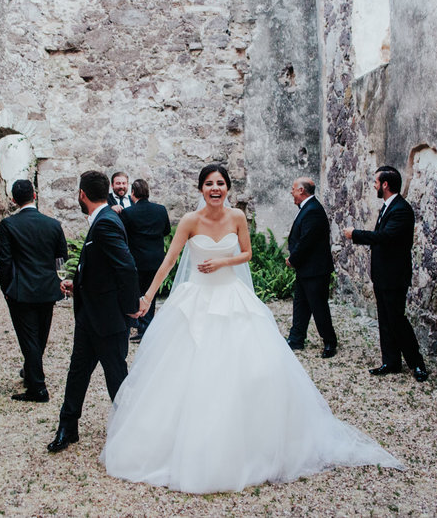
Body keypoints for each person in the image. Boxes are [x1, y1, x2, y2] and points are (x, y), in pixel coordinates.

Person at [102, 165, 403, 493]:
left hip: (231, 297)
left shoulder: (237, 218)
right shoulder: (189, 221)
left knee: (255, 371)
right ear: (201, 188)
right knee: (185, 373)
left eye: (220, 183)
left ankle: (254, 441)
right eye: (209, 183)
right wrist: (147, 295)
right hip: (196, 301)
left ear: (227, 188)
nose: (215, 188)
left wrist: (222, 262)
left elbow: (245, 253)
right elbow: (169, 260)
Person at [48, 171, 140, 452]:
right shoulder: (102, 220)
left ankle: (131, 430)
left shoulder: (105, 223)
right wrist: (76, 284)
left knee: (116, 376)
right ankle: (68, 426)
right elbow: (104, 268)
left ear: (82, 194)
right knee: (77, 372)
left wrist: (130, 309)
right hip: (89, 316)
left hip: (109, 319)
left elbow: (126, 267)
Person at [342, 166, 429, 382]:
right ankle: (391, 361)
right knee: (385, 320)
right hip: (382, 274)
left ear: (385, 185)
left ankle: (417, 363)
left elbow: (385, 237)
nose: (374, 185)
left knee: (397, 320)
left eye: (375, 182)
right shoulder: (388, 207)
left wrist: (356, 234)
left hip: (394, 275)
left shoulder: (401, 209)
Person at [0, 179, 68, 403]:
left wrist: (7, 287)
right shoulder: (53, 224)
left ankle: (38, 388)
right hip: (47, 287)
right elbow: (61, 258)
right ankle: (30, 372)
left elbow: (4, 261)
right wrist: (59, 280)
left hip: (22, 290)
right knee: (40, 335)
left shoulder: (8, 225)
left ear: (14, 200)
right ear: (34, 196)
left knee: (29, 338)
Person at [285, 177, 339, 358]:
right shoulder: (308, 208)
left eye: (293, 189)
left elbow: (306, 241)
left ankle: (330, 342)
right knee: (300, 304)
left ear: (301, 191)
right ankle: (296, 338)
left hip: (315, 270)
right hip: (306, 269)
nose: (291, 192)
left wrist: (293, 259)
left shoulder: (313, 211)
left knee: (318, 307)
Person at [119, 179, 171, 341]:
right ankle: (147, 327)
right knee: (151, 294)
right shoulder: (160, 210)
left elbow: (123, 236)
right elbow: (166, 230)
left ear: (133, 193)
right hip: (156, 259)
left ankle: (140, 327)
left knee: (137, 292)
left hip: (137, 260)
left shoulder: (128, 213)